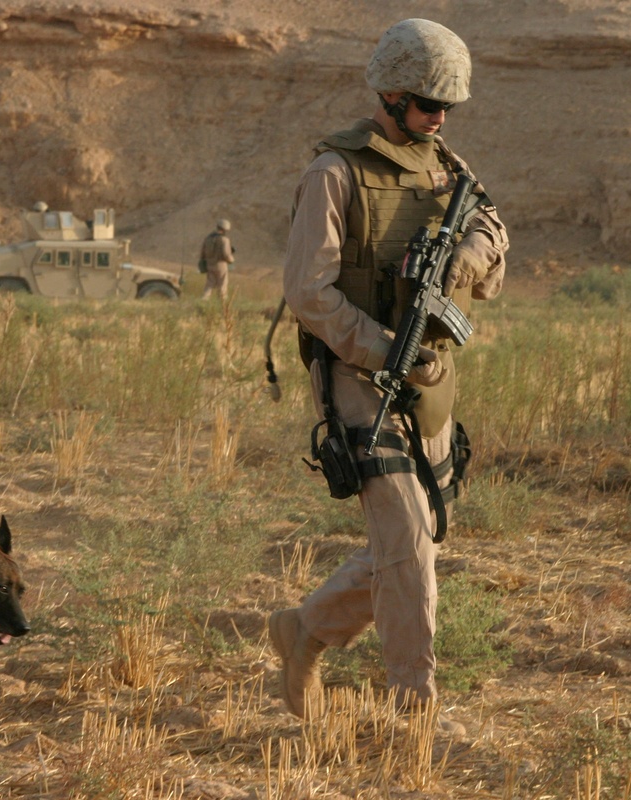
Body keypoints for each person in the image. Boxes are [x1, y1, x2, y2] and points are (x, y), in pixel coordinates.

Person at [268, 18, 508, 736]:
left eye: (448, 110)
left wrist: (468, 258)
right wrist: (381, 351)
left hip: (431, 379)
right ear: (393, 94)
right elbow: (308, 293)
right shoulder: (333, 172)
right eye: (431, 107)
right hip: (360, 378)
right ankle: (414, 709)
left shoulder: (448, 168)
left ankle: (307, 631)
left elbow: (495, 229)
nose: (440, 120)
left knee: (417, 544)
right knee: (405, 542)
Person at [199, 219, 234, 300]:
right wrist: (232, 260)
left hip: (210, 265)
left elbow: (202, 252)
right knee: (222, 285)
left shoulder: (208, 238)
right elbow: (226, 255)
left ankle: (204, 300)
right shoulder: (224, 240)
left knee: (209, 285)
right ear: (225, 229)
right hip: (221, 266)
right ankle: (222, 304)